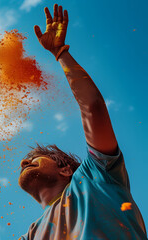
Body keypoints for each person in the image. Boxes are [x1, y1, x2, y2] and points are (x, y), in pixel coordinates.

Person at [18, 4, 147, 240]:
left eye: (35, 159)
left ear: (66, 169)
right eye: (29, 160)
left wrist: (60, 53)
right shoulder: (31, 235)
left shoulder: (97, 176)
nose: (24, 161)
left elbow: (93, 108)